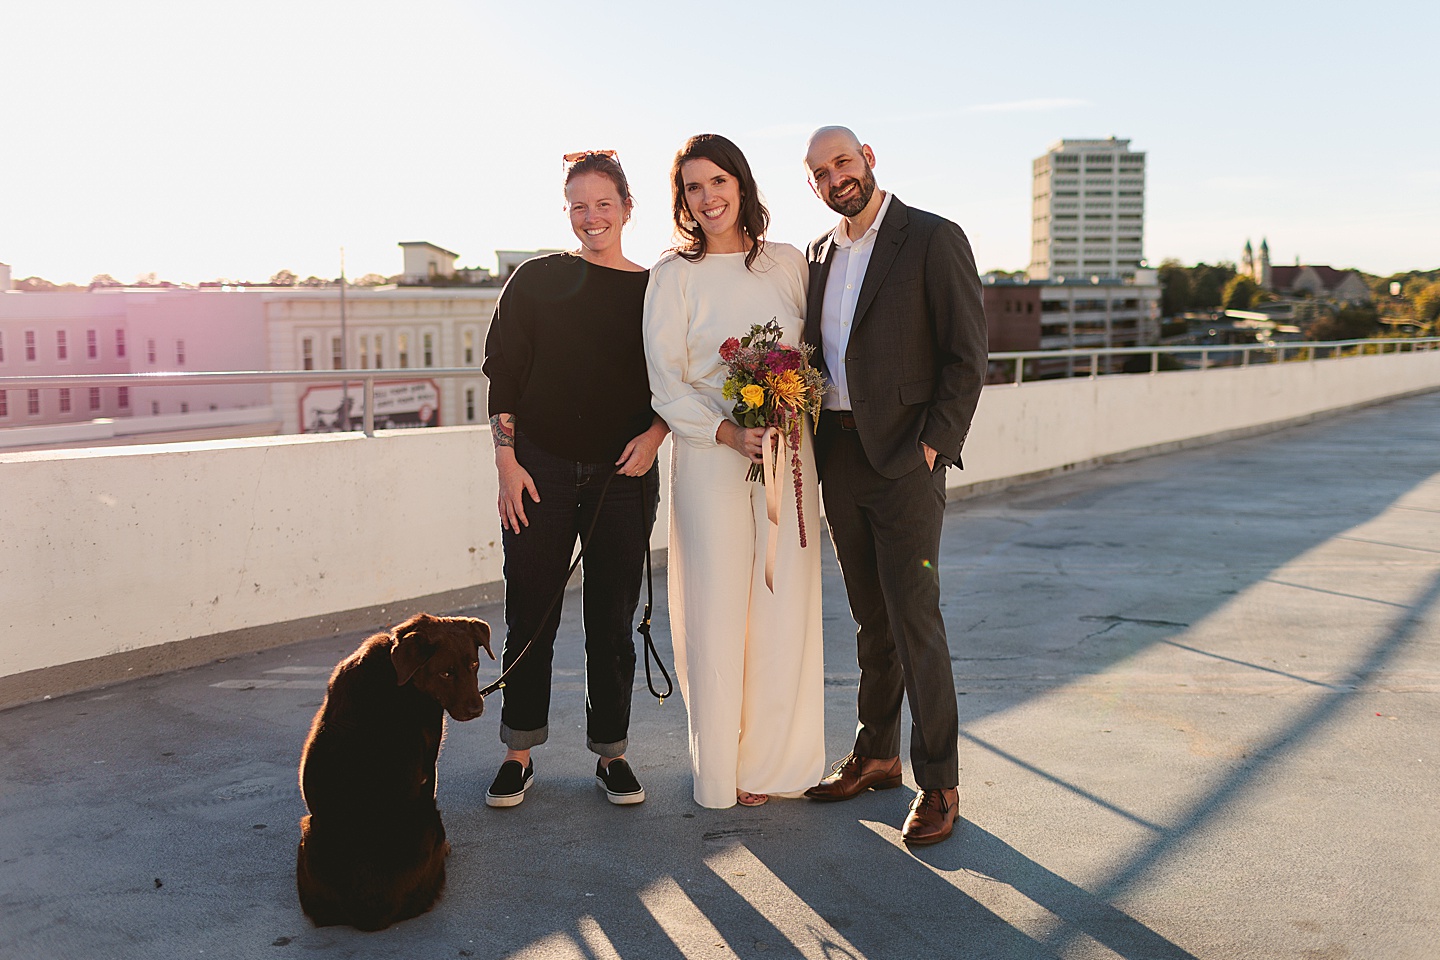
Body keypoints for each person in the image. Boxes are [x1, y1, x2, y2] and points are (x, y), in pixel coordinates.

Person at [799, 126, 988, 845]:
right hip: (839, 454)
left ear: (869, 159)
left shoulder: (933, 238)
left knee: (916, 621)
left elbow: (967, 357)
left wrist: (934, 447)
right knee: (869, 620)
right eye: (820, 171)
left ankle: (939, 783)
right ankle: (875, 754)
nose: (835, 177)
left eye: (843, 162)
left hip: (907, 460)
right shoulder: (817, 254)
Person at [481, 151, 668, 808]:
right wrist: (506, 462)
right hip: (542, 469)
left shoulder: (655, 289)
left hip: (625, 474)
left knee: (611, 621)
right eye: (579, 206)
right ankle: (519, 752)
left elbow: (677, 382)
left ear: (626, 207)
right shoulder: (536, 279)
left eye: (603, 203)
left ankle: (611, 754)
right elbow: (503, 374)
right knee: (530, 611)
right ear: (568, 212)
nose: (591, 217)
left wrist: (654, 438)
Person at [643, 133, 825, 809]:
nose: (709, 197)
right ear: (682, 201)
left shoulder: (785, 263)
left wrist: (787, 400)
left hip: (790, 456)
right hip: (709, 459)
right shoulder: (672, 275)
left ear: (741, 184)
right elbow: (666, 382)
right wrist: (727, 430)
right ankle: (722, 769)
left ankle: (775, 764)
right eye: (694, 187)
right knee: (717, 613)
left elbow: (816, 349)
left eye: (718, 180)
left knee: (784, 606)